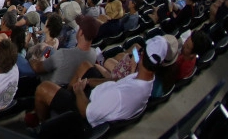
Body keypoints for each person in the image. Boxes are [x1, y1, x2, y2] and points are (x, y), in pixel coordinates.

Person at [32, 36, 166, 131]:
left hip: (84, 111)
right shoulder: (145, 79)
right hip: (101, 95)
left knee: (43, 88)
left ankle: (43, 125)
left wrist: (78, 91)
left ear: (142, 57)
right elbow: (115, 81)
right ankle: (63, 98)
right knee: (86, 66)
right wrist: (90, 81)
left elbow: (86, 112)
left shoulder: (120, 95)